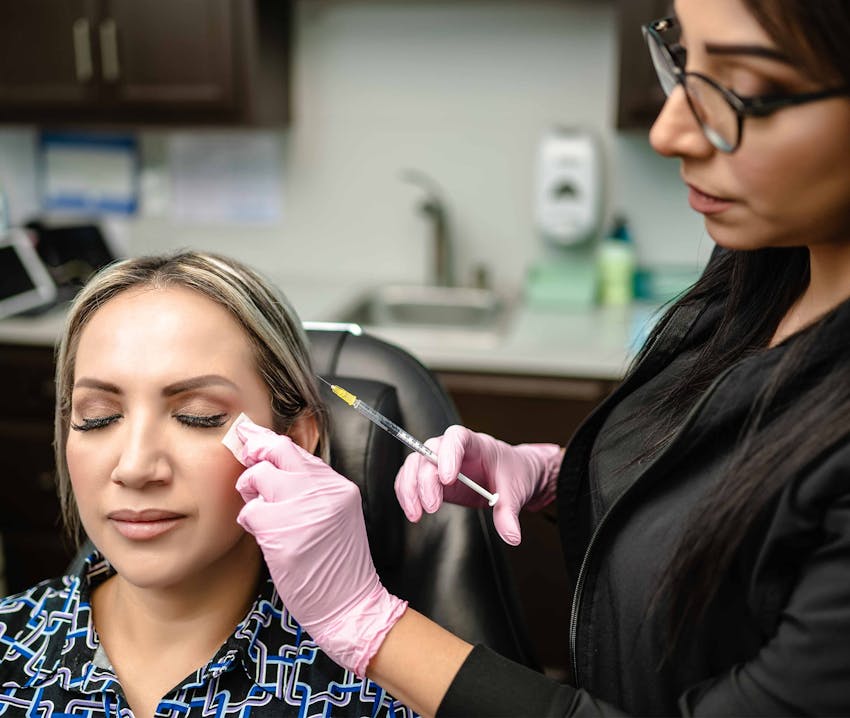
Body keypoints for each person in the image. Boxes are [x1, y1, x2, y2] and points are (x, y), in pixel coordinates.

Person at [230, 0, 850, 716]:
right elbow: (736, 499)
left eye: (747, 91)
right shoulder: (768, 267)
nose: (668, 129)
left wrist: (367, 625)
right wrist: (563, 476)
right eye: (683, 61)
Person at [0, 251, 415, 717]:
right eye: (99, 418)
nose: (135, 467)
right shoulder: (8, 648)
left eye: (197, 417)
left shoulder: (383, 692)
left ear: (294, 439)